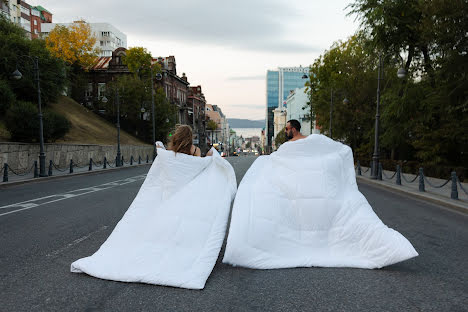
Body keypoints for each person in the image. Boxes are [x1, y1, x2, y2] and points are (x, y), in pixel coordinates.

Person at [223, 120, 418, 270]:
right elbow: (336, 150)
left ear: (294, 129)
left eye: (287, 129)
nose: (285, 131)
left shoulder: (299, 144)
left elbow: (283, 163)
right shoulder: (304, 143)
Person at [71, 124, 236, 289]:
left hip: (169, 193)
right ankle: (177, 249)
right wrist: (212, 155)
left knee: (163, 223)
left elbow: (159, 147)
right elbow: (202, 164)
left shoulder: (167, 154)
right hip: (187, 195)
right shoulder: (195, 151)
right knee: (181, 225)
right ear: (190, 138)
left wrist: (159, 145)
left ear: (177, 137)